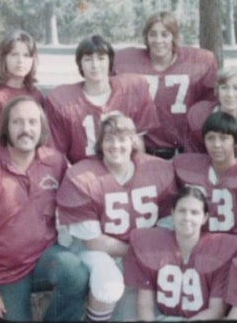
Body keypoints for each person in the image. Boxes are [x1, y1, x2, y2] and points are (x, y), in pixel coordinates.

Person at [56, 112, 178, 321]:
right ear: (100, 143)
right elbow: (93, 242)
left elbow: (167, 223)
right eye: (109, 139)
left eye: (122, 139)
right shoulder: (83, 176)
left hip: (140, 251)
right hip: (97, 252)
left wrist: (151, 254)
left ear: (133, 142)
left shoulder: (157, 169)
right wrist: (139, 255)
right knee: (108, 285)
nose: (115, 145)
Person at [0, 96, 89, 321]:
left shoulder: (55, 161)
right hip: (5, 273)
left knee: (74, 271)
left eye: (32, 122)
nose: (26, 129)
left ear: (41, 127)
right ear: (6, 127)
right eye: (18, 122)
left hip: (45, 259)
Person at [123, 186, 237, 320]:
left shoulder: (219, 251)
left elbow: (216, 310)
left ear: (205, 218)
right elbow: (144, 305)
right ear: (172, 213)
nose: (187, 217)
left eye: (194, 212)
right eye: (182, 211)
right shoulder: (153, 245)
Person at [113, 11, 218, 159]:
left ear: (174, 37)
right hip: (144, 151)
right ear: (146, 37)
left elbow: (210, 103)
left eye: (165, 34)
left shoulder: (199, 61)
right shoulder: (125, 60)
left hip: (185, 151)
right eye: (153, 34)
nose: (158, 40)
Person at [44, 34, 159, 164]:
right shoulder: (62, 100)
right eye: (88, 59)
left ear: (110, 61)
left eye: (101, 58)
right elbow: (58, 152)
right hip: (86, 173)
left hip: (123, 168)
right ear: (79, 64)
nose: (95, 65)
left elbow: (137, 142)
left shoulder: (131, 89)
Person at [173, 111, 237, 251]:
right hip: (197, 248)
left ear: (236, 142)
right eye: (210, 138)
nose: (216, 144)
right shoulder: (187, 167)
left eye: (223, 138)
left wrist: (232, 248)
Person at [0, 30, 45, 151]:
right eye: (14, 54)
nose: (20, 61)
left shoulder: (36, 95)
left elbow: (42, 137)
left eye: (26, 55)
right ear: (4, 59)